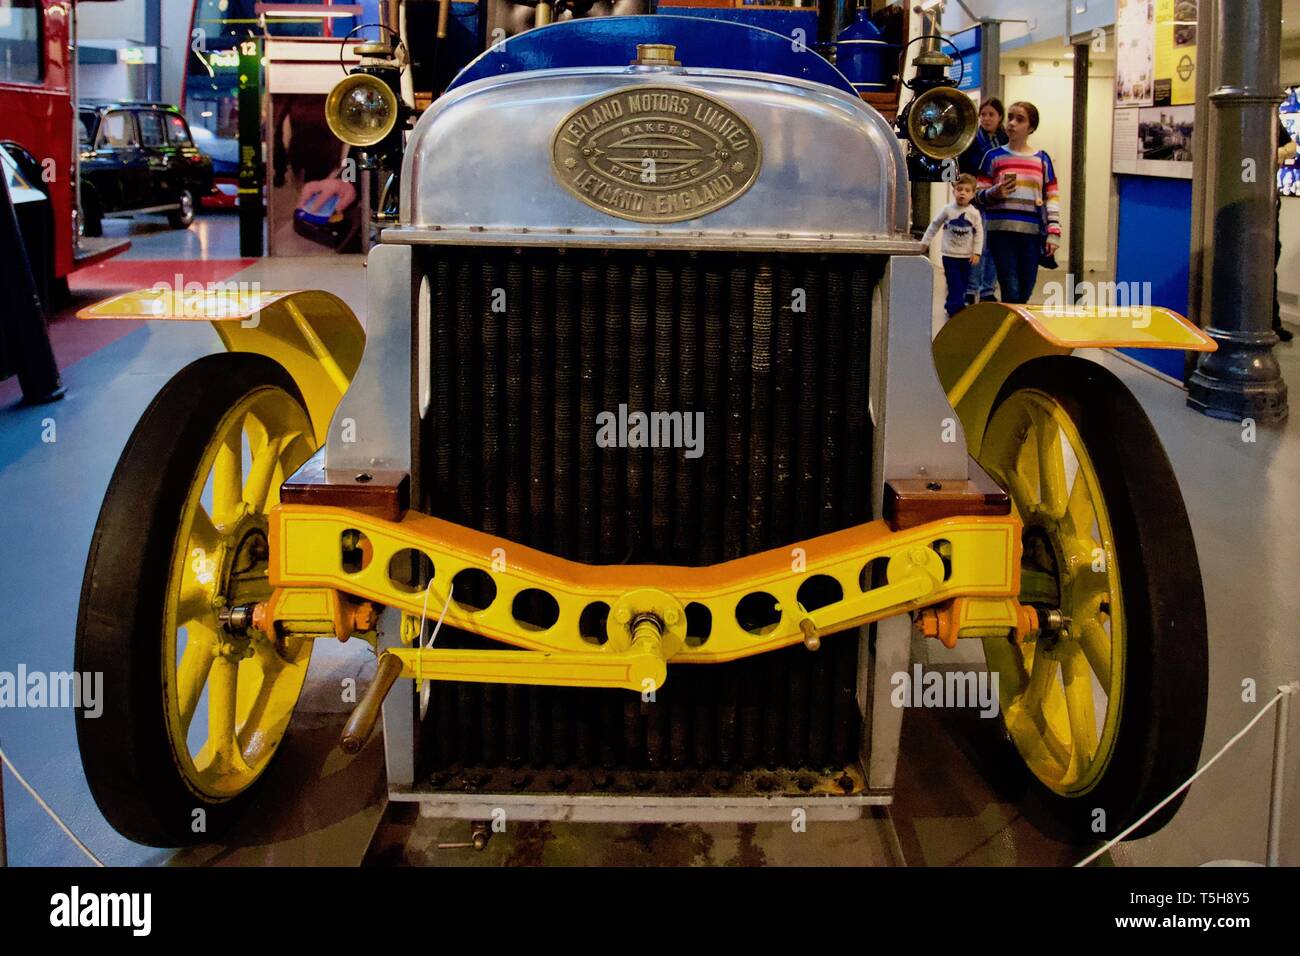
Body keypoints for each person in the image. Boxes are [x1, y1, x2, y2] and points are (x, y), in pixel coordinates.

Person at [976, 101, 1060, 304]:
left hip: (1031, 233)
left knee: (1026, 288)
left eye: (1019, 119)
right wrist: (995, 192)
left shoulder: (1041, 159)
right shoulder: (993, 157)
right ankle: (1011, 331)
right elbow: (978, 194)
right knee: (1010, 288)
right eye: (1010, 117)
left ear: (1031, 127)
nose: (1012, 123)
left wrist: (1054, 231)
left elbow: (1052, 195)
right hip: (1001, 232)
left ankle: (1014, 329)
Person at [958, 98, 1008, 304]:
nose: (986, 119)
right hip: (976, 200)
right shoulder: (970, 140)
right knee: (976, 246)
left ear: (1000, 118)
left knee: (993, 247)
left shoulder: (1005, 140)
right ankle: (971, 288)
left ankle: (988, 289)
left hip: (998, 202)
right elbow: (959, 166)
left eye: (991, 115)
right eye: (983, 114)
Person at [921, 173, 984, 319]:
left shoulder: (974, 213)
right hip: (949, 255)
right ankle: (955, 307)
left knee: (962, 283)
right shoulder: (948, 210)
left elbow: (979, 234)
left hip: (966, 256)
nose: (962, 193)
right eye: (959, 189)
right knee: (953, 281)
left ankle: (953, 303)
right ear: (954, 190)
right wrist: (925, 242)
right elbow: (934, 225)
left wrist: (977, 252)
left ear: (973, 194)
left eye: (967, 190)